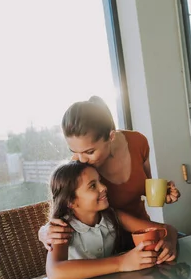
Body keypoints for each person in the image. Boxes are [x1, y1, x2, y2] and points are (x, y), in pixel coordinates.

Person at [39, 96, 181, 250]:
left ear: (111, 136)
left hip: (144, 233)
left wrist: (163, 193)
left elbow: (146, 186)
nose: (81, 159)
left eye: (90, 151)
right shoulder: (80, 167)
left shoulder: (138, 142)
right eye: (74, 151)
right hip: (108, 245)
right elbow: (64, 207)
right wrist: (43, 231)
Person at [45, 160, 178, 279]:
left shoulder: (113, 216)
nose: (103, 187)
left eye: (100, 181)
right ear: (71, 202)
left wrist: (169, 243)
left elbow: (167, 229)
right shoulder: (61, 229)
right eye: (92, 186)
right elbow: (54, 272)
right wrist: (121, 263)